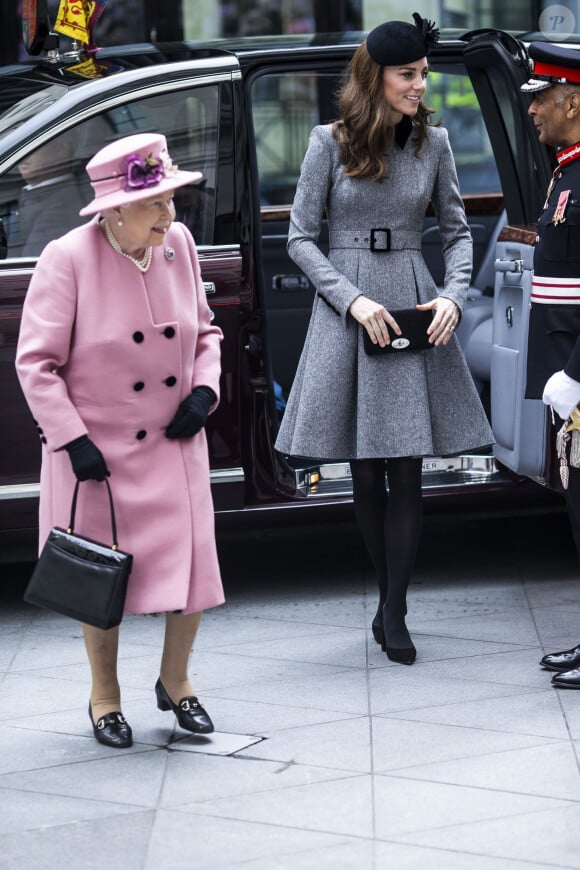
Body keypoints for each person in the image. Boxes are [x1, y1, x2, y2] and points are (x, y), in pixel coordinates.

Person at [275, 13, 493, 665]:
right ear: (376, 79)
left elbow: (456, 232)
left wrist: (453, 294)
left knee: (407, 465)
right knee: (365, 471)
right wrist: (351, 298)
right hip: (352, 304)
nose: (420, 86)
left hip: (413, 294)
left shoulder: (436, 144)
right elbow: (299, 239)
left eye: (424, 74)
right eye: (408, 75)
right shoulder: (328, 142)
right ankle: (384, 591)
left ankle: (395, 607)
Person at [16, 132, 224, 746]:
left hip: (174, 440)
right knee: (101, 577)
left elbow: (207, 332)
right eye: (155, 202)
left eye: (171, 198)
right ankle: (104, 697)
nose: (170, 213)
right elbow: (37, 364)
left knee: (190, 571)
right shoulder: (68, 257)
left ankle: (177, 683)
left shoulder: (178, 245)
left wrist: (205, 392)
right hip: (98, 456)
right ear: (113, 210)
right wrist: (72, 441)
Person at [521, 44, 580, 690]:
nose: (533, 108)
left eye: (542, 97)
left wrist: (576, 374)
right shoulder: (565, 171)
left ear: (575, 102)